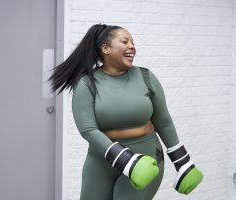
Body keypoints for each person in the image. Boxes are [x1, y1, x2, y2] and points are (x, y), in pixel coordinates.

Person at [48, 23, 203, 200]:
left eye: (133, 42)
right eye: (125, 41)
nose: (132, 46)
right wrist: (125, 160)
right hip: (101, 162)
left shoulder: (146, 77)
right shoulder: (87, 83)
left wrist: (182, 161)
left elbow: (164, 121)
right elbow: (88, 130)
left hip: (147, 161)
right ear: (105, 48)